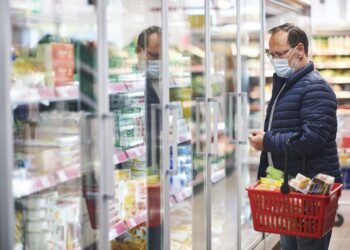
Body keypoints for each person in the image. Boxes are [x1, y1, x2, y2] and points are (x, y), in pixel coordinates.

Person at [248, 23, 342, 250]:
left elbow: (311, 139)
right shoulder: (288, 84)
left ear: (299, 50)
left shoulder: (315, 88)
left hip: (311, 190)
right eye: (271, 55)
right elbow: (291, 129)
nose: (275, 60)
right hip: (291, 187)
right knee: (289, 244)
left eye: (280, 54)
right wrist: (267, 136)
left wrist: (268, 141)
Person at [136, 25, 162, 250]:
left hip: (158, 165)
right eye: (153, 55)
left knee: (156, 223)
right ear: (139, 50)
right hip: (139, 167)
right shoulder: (131, 82)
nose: (157, 62)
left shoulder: (164, 79)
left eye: (161, 56)